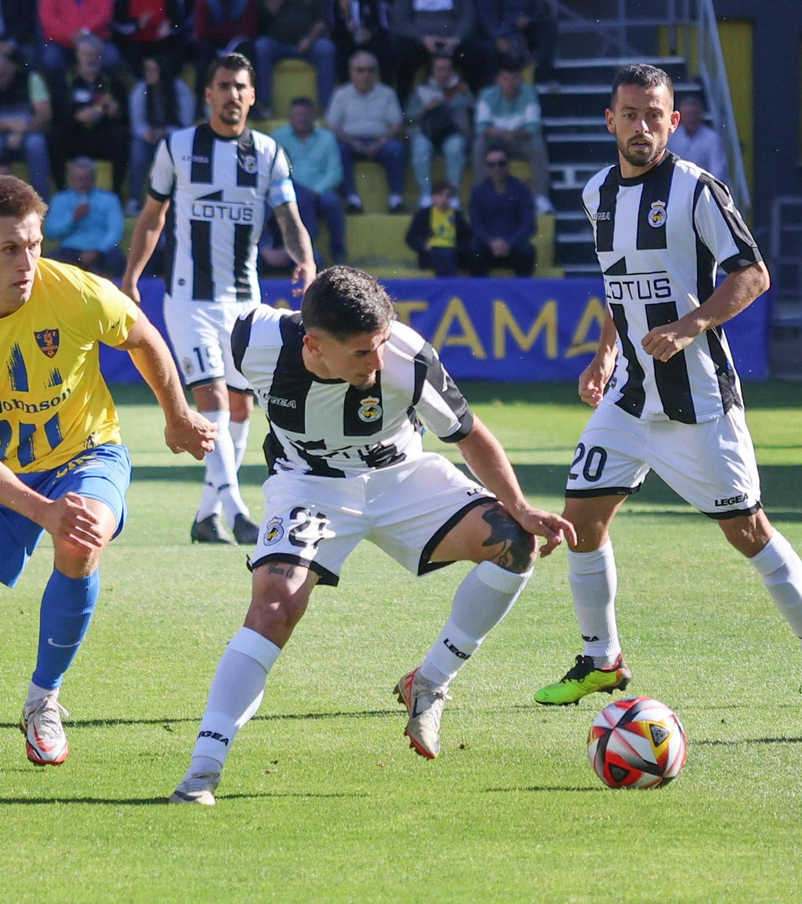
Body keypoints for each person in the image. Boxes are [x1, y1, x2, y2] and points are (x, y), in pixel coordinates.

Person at [168, 267, 576, 804]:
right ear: (313, 345)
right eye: (362, 353)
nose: (377, 361)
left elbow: (469, 433)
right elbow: (184, 364)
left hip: (403, 477)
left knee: (511, 545)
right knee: (271, 608)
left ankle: (428, 683)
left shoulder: (410, 358)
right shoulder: (254, 338)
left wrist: (519, 506)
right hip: (308, 487)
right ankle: (203, 768)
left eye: (380, 344)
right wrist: (178, 415)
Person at [534, 63, 802, 710]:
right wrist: (604, 354)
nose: (642, 126)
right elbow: (620, 286)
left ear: (673, 121)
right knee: (581, 517)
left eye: (654, 115)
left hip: (698, 399)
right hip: (629, 395)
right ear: (609, 120)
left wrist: (689, 324)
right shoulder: (597, 194)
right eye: (630, 113)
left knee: (746, 531)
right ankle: (602, 659)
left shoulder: (698, 191)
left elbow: (753, 275)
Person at [0, 172, 214, 764]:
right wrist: (41, 510)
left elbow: (143, 338)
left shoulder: (76, 292)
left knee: (82, 535)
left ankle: (43, 700)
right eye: (10, 248)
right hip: (0, 474)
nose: (28, 261)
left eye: (35, 244)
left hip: (85, 452)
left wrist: (177, 415)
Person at [121, 53, 316, 545]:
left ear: (252, 96)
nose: (232, 95)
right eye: (223, 85)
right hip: (189, 301)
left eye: (241, 87)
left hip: (244, 302)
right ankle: (238, 509)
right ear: (208, 94)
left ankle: (206, 515)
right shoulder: (178, 148)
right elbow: (152, 217)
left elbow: (290, 218)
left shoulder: (269, 153)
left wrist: (306, 262)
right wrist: (131, 277)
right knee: (210, 400)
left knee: (241, 408)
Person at [255, 0, 335, 115]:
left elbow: (322, 21)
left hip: (307, 43)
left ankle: (325, 106)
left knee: (326, 48)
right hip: (277, 44)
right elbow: (263, 18)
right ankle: (265, 104)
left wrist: (310, 40)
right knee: (261, 47)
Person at [271, 96, 348, 265]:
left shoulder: (326, 137)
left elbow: (335, 172)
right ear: (290, 116)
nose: (301, 118)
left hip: (319, 192)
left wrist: (316, 191)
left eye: (305, 114)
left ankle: (338, 251)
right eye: (297, 114)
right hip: (289, 191)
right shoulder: (277, 137)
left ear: (313, 116)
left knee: (333, 202)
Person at [391, 0, 475, 98]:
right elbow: (400, 20)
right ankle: (402, 105)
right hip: (420, 42)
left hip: (451, 41)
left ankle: (471, 105)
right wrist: (423, 38)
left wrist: (456, 38)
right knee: (402, 55)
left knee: (475, 55)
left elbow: (467, 15)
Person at [326, 50, 405, 212]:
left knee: (396, 149)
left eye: (370, 70)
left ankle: (396, 198)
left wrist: (379, 142)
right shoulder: (341, 94)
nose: (366, 74)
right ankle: (351, 198)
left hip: (381, 142)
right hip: (350, 142)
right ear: (351, 72)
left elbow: (396, 125)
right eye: (360, 70)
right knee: (338, 149)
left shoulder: (387, 93)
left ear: (376, 72)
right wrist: (353, 143)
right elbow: (332, 126)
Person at [54, 36, 129, 197]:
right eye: (87, 54)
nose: (92, 59)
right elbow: (57, 114)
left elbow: (125, 116)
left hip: (101, 136)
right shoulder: (65, 80)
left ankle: (116, 193)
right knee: (55, 136)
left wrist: (115, 112)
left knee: (121, 135)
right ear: (78, 55)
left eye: (96, 55)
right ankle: (61, 192)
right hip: (74, 136)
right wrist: (77, 117)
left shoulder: (112, 81)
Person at [473, 60, 550, 214]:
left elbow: (533, 126)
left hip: (518, 141)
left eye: (514, 78)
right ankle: (482, 193)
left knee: (537, 143)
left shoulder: (528, 93)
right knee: (479, 143)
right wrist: (494, 132)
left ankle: (541, 197)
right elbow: (481, 126)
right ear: (498, 80)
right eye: (505, 78)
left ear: (520, 79)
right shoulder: (488, 95)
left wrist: (514, 134)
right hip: (495, 140)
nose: (510, 83)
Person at [0, 48, 53, 197]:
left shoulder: (31, 79)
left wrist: (22, 132)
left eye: (1, 76)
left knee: (36, 144)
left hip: (29, 133)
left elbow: (44, 115)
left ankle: (41, 200)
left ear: (11, 68)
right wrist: (7, 125)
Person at [474, 0, 556, 84]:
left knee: (548, 26)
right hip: (497, 33)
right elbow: (486, 17)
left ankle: (543, 74)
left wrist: (529, 20)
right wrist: (498, 37)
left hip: (524, 31)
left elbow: (540, 13)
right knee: (485, 47)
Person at [405, 50, 472, 207]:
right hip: (426, 132)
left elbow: (467, 117)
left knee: (455, 147)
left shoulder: (461, 89)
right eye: (440, 69)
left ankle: (453, 195)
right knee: (420, 146)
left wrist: (449, 102)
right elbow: (409, 118)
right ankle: (426, 195)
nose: (444, 73)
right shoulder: (420, 91)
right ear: (432, 71)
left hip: (452, 133)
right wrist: (426, 108)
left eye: (448, 69)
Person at [128, 55, 195, 210]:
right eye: (147, 69)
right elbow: (137, 122)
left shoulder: (180, 89)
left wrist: (165, 132)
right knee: (137, 150)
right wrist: (147, 133)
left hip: (173, 137)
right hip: (148, 139)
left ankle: (177, 202)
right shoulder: (141, 90)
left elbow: (186, 122)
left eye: (153, 70)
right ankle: (134, 198)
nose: (149, 73)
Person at [45, 158, 126, 276]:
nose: (81, 183)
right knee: (49, 265)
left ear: (93, 179)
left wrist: (98, 250)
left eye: (85, 179)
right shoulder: (60, 199)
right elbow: (50, 232)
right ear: (71, 179)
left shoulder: (109, 199)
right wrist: (73, 217)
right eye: (77, 179)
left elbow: (115, 231)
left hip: (102, 249)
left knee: (117, 261)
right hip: (70, 249)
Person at [466, 150, 536, 276]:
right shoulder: (479, 192)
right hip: (487, 246)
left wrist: (509, 243)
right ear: (486, 167)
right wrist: (490, 242)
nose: (497, 168)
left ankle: (521, 294)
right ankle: (481, 294)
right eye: (492, 164)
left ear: (508, 165)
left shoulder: (521, 189)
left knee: (527, 251)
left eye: (501, 163)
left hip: (514, 246)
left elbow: (528, 224)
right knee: (473, 252)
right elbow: (475, 225)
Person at [192, 0, 259, 89]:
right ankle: (199, 103)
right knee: (202, 52)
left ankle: (252, 103)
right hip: (212, 42)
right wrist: (232, 29)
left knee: (249, 53)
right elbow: (201, 31)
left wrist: (219, 31)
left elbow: (250, 30)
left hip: (236, 43)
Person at [326, 0, 390, 83]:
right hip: (346, 39)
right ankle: (345, 88)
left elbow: (383, 24)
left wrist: (371, 32)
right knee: (340, 52)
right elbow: (333, 29)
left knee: (385, 50)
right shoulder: (335, 0)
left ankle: (385, 87)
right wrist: (345, 14)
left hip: (369, 39)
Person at [403, 180, 469, 276]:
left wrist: (458, 248)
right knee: (444, 257)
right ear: (433, 196)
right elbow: (410, 238)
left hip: (452, 251)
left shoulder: (457, 215)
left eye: (447, 196)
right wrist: (423, 246)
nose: (443, 199)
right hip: (431, 251)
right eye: (440, 195)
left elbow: (466, 237)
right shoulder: (423, 214)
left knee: (449, 256)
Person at [667, 94, 728, 179]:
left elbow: (718, 170)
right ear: (680, 117)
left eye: (695, 114)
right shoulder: (671, 136)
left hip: (702, 184)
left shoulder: (712, 138)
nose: (691, 118)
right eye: (688, 115)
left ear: (701, 115)